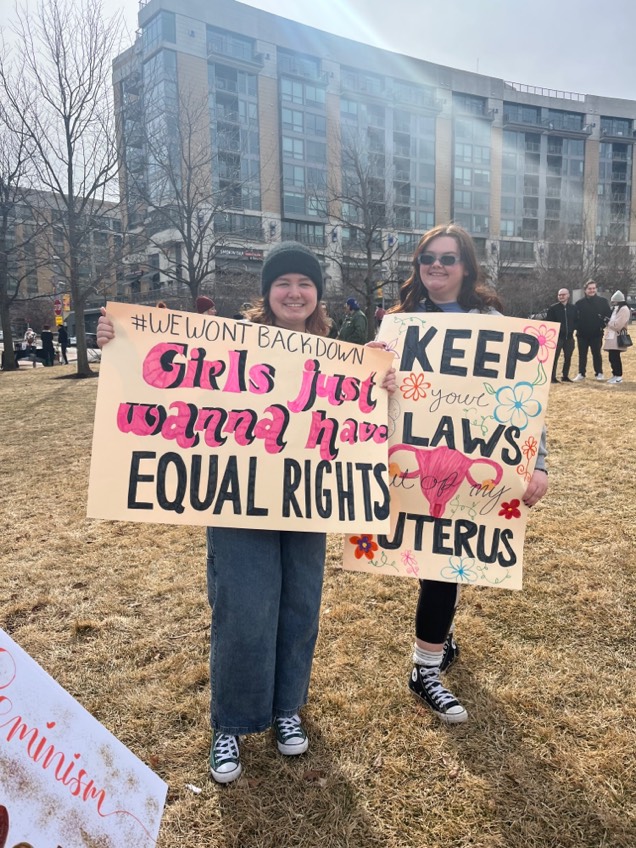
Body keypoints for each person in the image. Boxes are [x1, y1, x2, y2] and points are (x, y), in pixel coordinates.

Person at [96, 241, 396, 784]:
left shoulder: (339, 353)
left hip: (306, 502)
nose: (294, 292)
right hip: (238, 502)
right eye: (283, 282)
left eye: (305, 283)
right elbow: (158, 375)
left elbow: (373, 423)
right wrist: (120, 345)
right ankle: (231, 723)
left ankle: (286, 708)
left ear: (317, 295)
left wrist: (384, 388)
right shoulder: (230, 343)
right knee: (243, 608)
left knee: (299, 605)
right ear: (266, 292)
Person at [386, 223, 548, 724]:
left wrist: (537, 461)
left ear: (466, 266)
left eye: (447, 258)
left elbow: (527, 397)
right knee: (435, 563)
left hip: (469, 460)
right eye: (427, 258)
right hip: (417, 462)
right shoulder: (398, 323)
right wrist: (381, 380)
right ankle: (425, 667)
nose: (435, 266)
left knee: (450, 559)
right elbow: (369, 395)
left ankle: (434, 646)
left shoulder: (492, 322)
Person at [573, 280, 611, 382]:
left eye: (594, 288)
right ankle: (581, 373)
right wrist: (578, 327)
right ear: (585, 290)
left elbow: (608, 315)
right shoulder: (579, 303)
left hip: (596, 334)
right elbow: (574, 318)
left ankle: (599, 373)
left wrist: (602, 325)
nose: (592, 290)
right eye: (589, 289)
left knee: (597, 354)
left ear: (596, 289)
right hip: (582, 334)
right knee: (582, 355)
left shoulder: (603, 301)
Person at [546, 288, 576, 382]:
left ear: (568, 295)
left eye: (563, 294)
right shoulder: (553, 308)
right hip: (557, 337)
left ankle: (565, 376)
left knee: (568, 357)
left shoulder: (573, 308)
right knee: (554, 358)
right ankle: (552, 377)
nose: (561, 297)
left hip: (570, 337)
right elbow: (549, 322)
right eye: (559, 295)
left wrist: (573, 328)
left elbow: (576, 320)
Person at [603, 290, 631, 384]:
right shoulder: (617, 309)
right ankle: (615, 375)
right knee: (612, 357)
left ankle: (618, 376)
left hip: (617, 336)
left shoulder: (624, 309)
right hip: (612, 336)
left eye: (614, 301)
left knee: (615, 357)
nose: (613, 303)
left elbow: (618, 325)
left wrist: (608, 321)